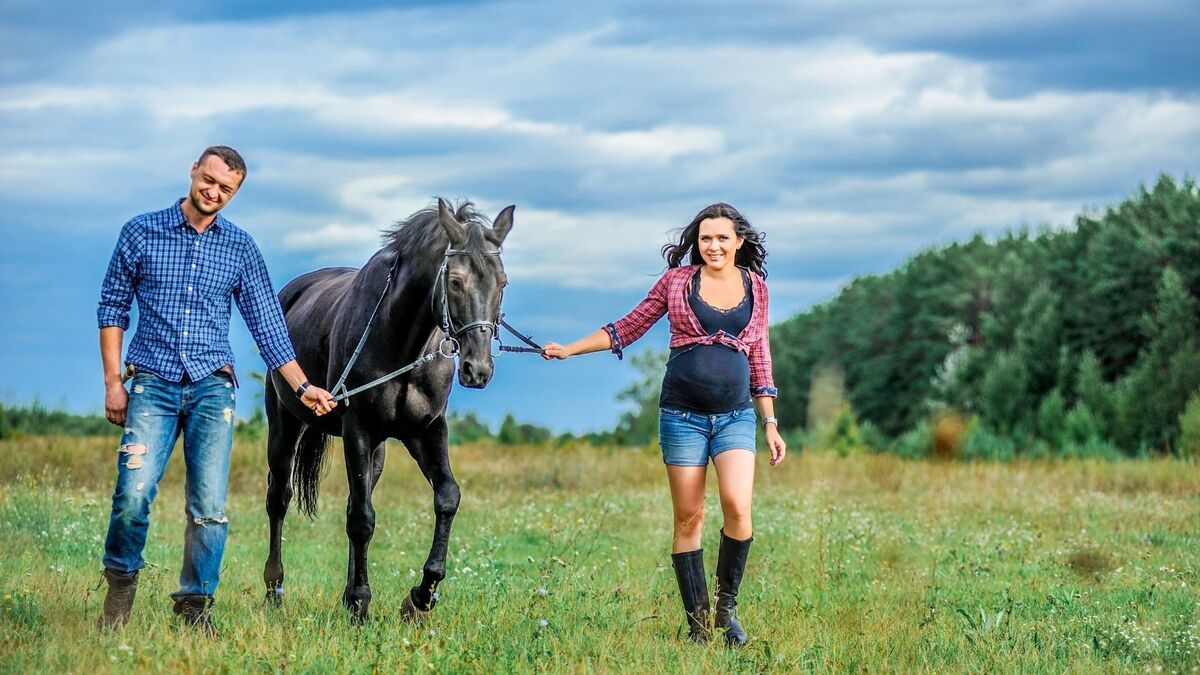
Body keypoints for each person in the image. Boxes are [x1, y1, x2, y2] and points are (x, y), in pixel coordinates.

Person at [96, 146, 337, 633]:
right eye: (208, 181)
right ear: (193, 172)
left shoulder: (241, 248)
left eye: (225, 189)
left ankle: (195, 607)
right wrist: (113, 384)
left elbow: (268, 326)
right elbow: (112, 307)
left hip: (212, 389)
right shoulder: (141, 232)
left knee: (209, 509)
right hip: (152, 384)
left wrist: (304, 386)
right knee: (132, 496)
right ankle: (118, 598)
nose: (214, 193)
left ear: (236, 192)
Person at [542, 203, 787, 647]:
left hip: (735, 415)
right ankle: (697, 625)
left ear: (739, 242)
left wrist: (770, 421)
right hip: (682, 416)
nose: (713, 245)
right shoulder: (677, 282)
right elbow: (630, 325)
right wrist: (570, 349)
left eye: (722, 238)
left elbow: (761, 355)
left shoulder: (756, 287)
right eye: (705, 238)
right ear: (697, 241)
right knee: (689, 517)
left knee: (738, 507)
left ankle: (724, 611)